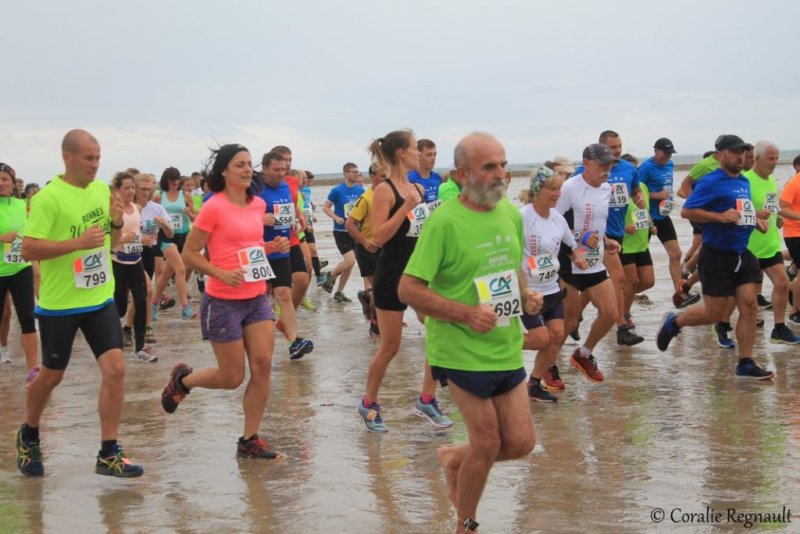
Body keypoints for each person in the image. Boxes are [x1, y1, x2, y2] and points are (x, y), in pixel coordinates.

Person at [399, 132, 543, 534]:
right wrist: (464, 313)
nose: (502, 174)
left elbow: (510, 267)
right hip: (458, 350)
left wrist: (526, 293)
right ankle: (466, 524)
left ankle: (451, 458)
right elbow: (408, 289)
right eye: (489, 167)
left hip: (505, 345)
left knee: (520, 443)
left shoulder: (510, 213)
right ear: (462, 173)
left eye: (503, 164)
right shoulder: (443, 221)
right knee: (487, 443)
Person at [15, 129, 143, 478]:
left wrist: (116, 222)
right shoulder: (48, 199)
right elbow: (29, 249)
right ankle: (29, 433)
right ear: (67, 157)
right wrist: (75, 244)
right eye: (88, 158)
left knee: (116, 369)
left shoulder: (103, 191)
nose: (95, 165)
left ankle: (108, 452)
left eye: (98, 158)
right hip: (60, 305)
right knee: (52, 377)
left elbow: (111, 242)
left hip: (98, 297)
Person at [163, 143, 290, 459]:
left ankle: (250, 439)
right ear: (224, 172)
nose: (248, 169)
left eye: (249, 164)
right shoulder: (213, 207)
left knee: (262, 366)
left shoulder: (257, 205)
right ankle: (183, 380)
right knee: (232, 377)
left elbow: (248, 246)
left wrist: (270, 247)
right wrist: (220, 272)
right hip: (222, 301)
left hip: (256, 296)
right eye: (239, 165)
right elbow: (191, 253)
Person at [656, 135, 776, 380]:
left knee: (750, 306)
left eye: (742, 152)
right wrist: (719, 217)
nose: (739, 157)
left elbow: (741, 213)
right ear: (719, 154)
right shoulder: (710, 181)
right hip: (716, 255)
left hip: (743, 253)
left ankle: (745, 363)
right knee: (713, 313)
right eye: (733, 152)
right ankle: (674, 322)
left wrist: (756, 222)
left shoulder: (743, 181)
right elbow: (688, 210)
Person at [358, 129, 453, 431]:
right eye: (414, 148)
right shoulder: (386, 190)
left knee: (438, 335)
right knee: (390, 347)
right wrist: (406, 208)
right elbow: (378, 236)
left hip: (420, 274)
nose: (418, 153)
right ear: (402, 153)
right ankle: (368, 403)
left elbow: (422, 233)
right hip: (391, 275)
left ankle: (427, 398)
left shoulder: (417, 188)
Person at [555, 143, 623, 384]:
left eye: (610, 164)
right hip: (569, 261)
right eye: (602, 164)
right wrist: (578, 237)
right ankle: (548, 366)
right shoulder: (570, 187)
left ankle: (583, 353)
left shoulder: (607, 189)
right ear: (586, 163)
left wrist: (606, 240)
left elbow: (596, 222)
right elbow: (553, 220)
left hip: (594, 261)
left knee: (611, 313)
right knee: (570, 321)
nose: (607, 169)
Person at [520, 166, 587, 402]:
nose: (557, 193)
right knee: (540, 339)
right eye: (552, 188)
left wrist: (577, 257)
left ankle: (534, 384)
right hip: (528, 291)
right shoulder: (523, 217)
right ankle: (494, 343)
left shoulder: (558, 219)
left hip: (551, 289)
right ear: (538, 190)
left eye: (559, 188)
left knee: (557, 335)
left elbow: (570, 247)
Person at [257, 151, 314, 360]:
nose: (282, 174)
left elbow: (287, 210)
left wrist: (294, 222)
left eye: (284, 169)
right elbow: (238, 215)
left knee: (284, 293)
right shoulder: (254, 187)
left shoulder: (285, 186)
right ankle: (255, 340)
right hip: (258, 250)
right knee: (260, 297)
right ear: (264, 168)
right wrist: (260, 219)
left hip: (281, 247)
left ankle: (294, 341)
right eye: (277, 170)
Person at [745, 140, 800, 343]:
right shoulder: (745, 180)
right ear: (757, 158)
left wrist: (778, 218)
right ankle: (722, 323)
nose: (774, 162)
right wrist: (756, 216)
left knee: (782, 283)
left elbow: (773, 206)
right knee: (744, 296)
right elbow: (739, 210)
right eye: (770, 158)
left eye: (776, 158)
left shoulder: (770, 181)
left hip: (770, 244)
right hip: (749, 246)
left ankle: (779, 327)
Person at [637, 138, 699, 308]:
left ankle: (680, 293)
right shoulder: (646, 168)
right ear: (656, 151)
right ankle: (623, 290)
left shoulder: (670, 164)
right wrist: (657, 196)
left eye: (670, 153)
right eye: (665, 153)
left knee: (676, 254)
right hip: (647, 217)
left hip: (663, 217)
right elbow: (635, 193)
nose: (667, 156)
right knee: (637, 258)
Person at [110, 172, 156, 363]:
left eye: (132, 188)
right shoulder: (113, 210)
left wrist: (141, 240)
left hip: (135, 260)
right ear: (117, 190)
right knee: (119, 305)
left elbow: (136, 233)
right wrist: (123, 239)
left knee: (141, 300)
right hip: (117, 261)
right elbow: (108, 239)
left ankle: (140, 348)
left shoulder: (137, 208)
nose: (130, 191)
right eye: (126, 188)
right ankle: (112, 341)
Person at [0, 162, 38, 376]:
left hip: (20, 267)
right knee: (3, 315)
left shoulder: (21, 205)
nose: (1, 183)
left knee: (27, 317)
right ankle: (3, 348)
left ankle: (33, 368)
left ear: (13, 183)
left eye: (5, 179)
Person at [346, 162, 387, 336]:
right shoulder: (366, 198)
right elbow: (350, 224)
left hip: (385, 247)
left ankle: (368, 299)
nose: (387, 180)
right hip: (366, 248)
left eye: (389, 176)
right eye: (383, 177)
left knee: (386, 288)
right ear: (373, 177)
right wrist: (364, 242)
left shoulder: (390, 196)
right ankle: (376, 327)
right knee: (380, 288)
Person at [153, 167, 195, 320]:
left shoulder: (186, 195)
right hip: (166, 237)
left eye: (177, 180)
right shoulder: (159, 196)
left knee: (165, 275)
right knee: (181, 270)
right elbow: (151, 214)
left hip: (182, 236)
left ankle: (154, 304)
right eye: (172, 181)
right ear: (166, 181)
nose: (175, 184)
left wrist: (189, 213)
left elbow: (194, 218)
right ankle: (185, 308)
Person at [322, 163, 364, 301]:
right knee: (350, 261)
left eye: (357, 172)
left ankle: (339, 292)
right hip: (341, 231)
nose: (355, 174)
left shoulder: (360, 190)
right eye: (352, 172)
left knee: (350, 264)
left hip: (356, 231)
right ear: (345, 173)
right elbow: (326, 207)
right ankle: (330, 275)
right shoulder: (337, 191)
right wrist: (336, 217)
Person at [780, 154, 800, 323]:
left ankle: (792, 287)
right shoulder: (794, 182)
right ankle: (796, 311)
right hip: (795, 233)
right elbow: (781, 207)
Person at [408, 138, 444, 212]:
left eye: (435, 154)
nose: (433, 158)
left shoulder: (438, 178)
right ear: (418, 156)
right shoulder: (409, 178)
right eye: (429, 155)